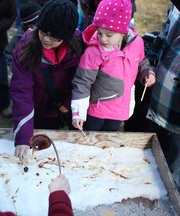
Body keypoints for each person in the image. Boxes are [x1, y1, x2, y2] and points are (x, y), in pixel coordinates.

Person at [10, 0, 84, 163]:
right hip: (33, 106)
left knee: (49, 153)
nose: (46, 40)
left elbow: (82, 80)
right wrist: (23, 137)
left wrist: (67, 100)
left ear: (66, 38)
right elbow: (21, 91)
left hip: (60, 106)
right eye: (43, 32)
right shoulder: (25, 47)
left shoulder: (78, 46)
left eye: (55, 37)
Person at [71, 0, 156, 132]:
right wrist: (78, 112)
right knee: (89, 142)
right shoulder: (93, 52)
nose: (103, 39)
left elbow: (141, 61)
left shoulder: (137, 43)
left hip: (120, 110)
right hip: (96, 111)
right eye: (99, 33)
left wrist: (146, 73)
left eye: (109, 35)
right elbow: (82, 82)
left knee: (109, 143)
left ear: (122, 32)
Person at [146, 0, 180, 191]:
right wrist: (150, 63)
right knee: (150, 165)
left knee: (171, 180)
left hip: (178, 122)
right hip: (158, 104)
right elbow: (162, 39)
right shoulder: (175, 9)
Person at [4, 1, 42, 70]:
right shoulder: (19, 38)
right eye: (37, 22)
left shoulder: (47, 36)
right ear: (29, 25)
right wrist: (17, 69)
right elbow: (8, 54)